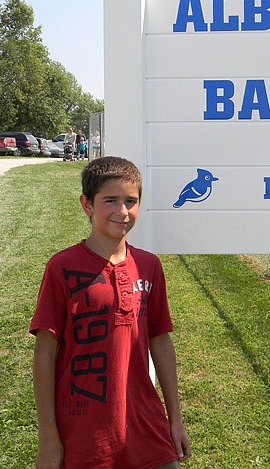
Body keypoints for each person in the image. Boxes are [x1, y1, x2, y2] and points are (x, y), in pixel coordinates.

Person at [30, 156, 191, 469]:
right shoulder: (62, 267)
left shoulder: (149, 266)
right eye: (110, 201)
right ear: (87, 205)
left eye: (131, 201)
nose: (122, 211)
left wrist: (175, 420)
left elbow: (160, 341)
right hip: (85, 433)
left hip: (147, 426)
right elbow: (45, 353)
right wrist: (48, 437)